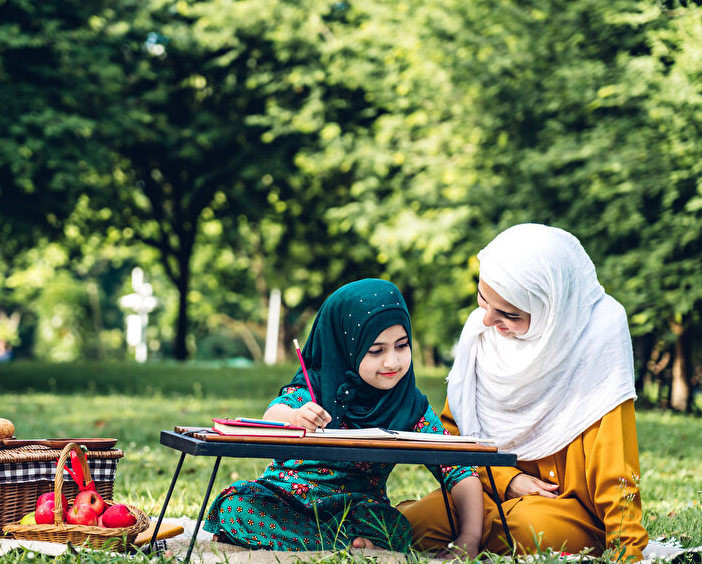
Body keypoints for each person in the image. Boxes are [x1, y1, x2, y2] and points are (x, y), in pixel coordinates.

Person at [399, 224, 648, 560]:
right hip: (486, 492)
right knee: (411, 524)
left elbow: (614, 464)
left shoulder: (595, 342)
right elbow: (455, 438)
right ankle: (472, 531)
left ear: (551, 311)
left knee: (522, 529)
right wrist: (508, 480)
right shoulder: (482, 336)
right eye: (482, 299)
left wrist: (627, 548)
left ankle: (475, 535)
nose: (487, 320)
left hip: (566, 508)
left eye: (509, 314)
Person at [203, 279, 484, 555]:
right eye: (376, 350)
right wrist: (295, 418)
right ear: (346, 347)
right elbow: (272, 416)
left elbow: (458, 467)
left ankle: (320, 540)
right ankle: (343, 544)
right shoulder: (315, 387)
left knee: (395, 526)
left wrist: (469, 536)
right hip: (286, 500)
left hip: (357, 509)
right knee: (238, 507)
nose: (392, 362)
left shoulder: (408, 405)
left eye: (401, 345)